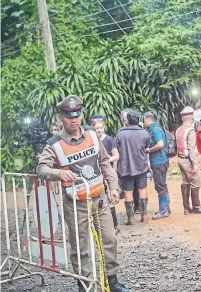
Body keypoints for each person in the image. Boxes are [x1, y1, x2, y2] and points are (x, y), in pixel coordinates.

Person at [36, 95, 131, 292]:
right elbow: (41, 169)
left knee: (109, 239)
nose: (74, 119)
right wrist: (59, 173)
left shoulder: (92, 134)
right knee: (80, 245)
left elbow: (104, 162)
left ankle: (111, 281)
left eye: (77, 115)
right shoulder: (54, 144)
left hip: (99, 199)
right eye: (69, 116)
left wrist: (114, 187)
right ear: (62, 117)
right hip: (75, 202)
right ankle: (85, 284)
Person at [116, 110, 150, 224]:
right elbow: (146, 146)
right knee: (142, 189)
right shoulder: (144, 133)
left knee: (128, 191)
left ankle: (130, 217)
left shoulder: (120, 134)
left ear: (127, 121)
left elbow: (117, 147)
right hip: (141, 166)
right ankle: (144, 215)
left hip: (126, 167)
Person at [91, 115, 121, 235]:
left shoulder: (108, 140)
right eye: (97, 128)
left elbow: (116, 155)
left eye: (100, 128)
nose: (99, 130)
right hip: (96, 174)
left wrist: (106, 160)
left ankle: (115, 225)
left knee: (110, 199)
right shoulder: (91, 141)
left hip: (107, 171)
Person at [176, 106, 201, 214]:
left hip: (180, 159)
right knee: (196, 182)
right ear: (190, 117)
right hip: (188, 160)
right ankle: (196, 207)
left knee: (185, 183)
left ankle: (186, 208)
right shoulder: (190, 130)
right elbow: (191, 148)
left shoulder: (178, 130)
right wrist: (195, 164)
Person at [143, 110, 171, 219]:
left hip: (159, 161)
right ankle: (166, 208)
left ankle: (163, 210)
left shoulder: (155, 130)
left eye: (144, 119)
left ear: (148, 119)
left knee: (160, 185)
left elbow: (160, 144)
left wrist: (149, 150)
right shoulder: (156, 129)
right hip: (161, 160)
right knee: (162, 184)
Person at [118, 109, 140, 212]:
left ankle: (138, 206)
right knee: (128, 188)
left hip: (138, 162)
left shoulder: (139, 129)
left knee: (139, 186)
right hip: (126, 164)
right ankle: (130, 212)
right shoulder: (120, 132)